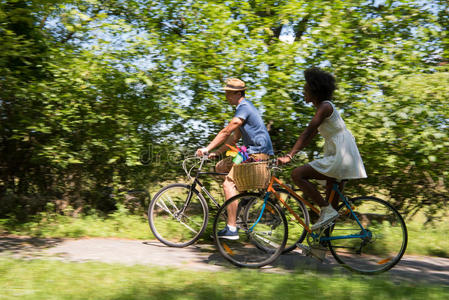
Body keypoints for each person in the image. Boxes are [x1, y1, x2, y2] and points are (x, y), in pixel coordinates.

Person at [277, 67, 367, 231]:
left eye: (305, 88)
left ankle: (325, 210)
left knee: (297, 174)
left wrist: (290, 156)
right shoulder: (323, 108)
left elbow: (307, 132)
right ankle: (321, 246)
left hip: (341, 156)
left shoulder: (325, 107)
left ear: (314, 89)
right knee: (330, 211)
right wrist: (295, 152)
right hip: (340, 154)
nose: (303, 91)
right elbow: (310, 137)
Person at [196, 78, 274, 239]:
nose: (226, 96)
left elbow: (226, 132)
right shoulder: (244, 109)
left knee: (228, 183)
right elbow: (234, 138)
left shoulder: (244, 108)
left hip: (256, 153)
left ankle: (232, 228)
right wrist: (217, 153)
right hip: (247, 152)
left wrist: (206, 148)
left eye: (229, 93)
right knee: (221, 166)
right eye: (226, 93)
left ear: (239, 93)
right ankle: (241, 202)